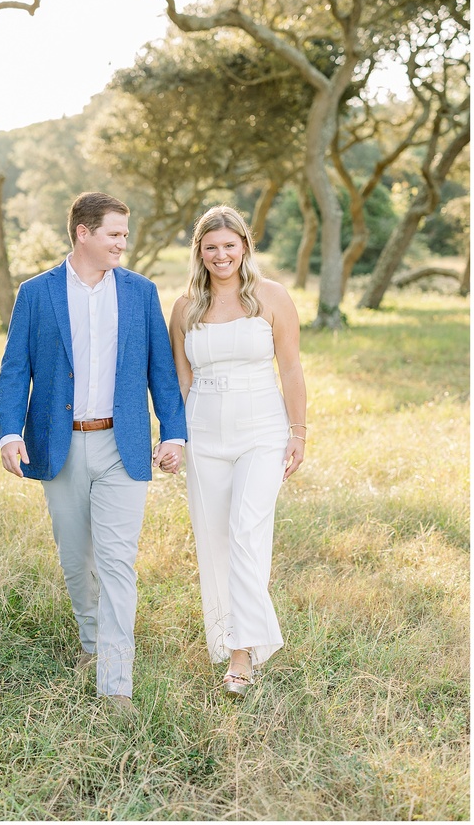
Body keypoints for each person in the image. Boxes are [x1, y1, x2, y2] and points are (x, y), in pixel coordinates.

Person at [0, 191, 187, 713]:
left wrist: (174, 433)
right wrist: (9, 432)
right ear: (83, 232)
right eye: (115, 235)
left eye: (125, 235)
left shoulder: (141, 293)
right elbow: (15, 369)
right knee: (77, 561)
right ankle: (90, 643)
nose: (123, 244)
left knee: (118, 563)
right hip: (58, 444)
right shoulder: (36, 294)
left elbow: (161, 373)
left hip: (122, 445)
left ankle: (116, 681)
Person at [167, 205, 306, 698]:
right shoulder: (184, 307)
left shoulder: (272, 297)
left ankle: (243, 653)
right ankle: (232, 635)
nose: (221, 255)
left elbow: (290, 368)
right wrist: (174, 438)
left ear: (245, 246)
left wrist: (299, 432)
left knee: (246, 533)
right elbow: (181, 381)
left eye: (230, 245)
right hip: (204, 433)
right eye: (211, 247)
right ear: (199, 253)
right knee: (215, 541)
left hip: (262, 431)